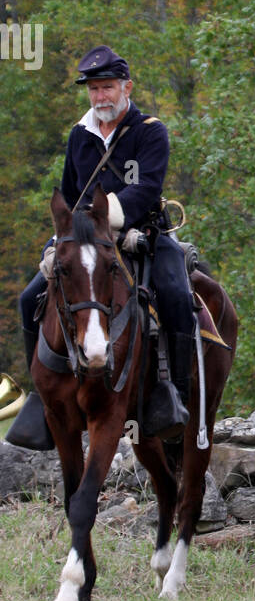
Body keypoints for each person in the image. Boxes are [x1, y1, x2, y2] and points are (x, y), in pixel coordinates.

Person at [7, 45, 195, 451]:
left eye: (107, 87)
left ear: (126, 87)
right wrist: (61, 242)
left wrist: (113, 224)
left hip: (142, 235)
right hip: (86, 239)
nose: (100, 97)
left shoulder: (150, 130)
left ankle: (174, 399)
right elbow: (73, 194)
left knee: (178, 297)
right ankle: (43, 399)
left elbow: (147, 189)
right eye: (93, 89)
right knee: (28, 300)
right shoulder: (80, 135)